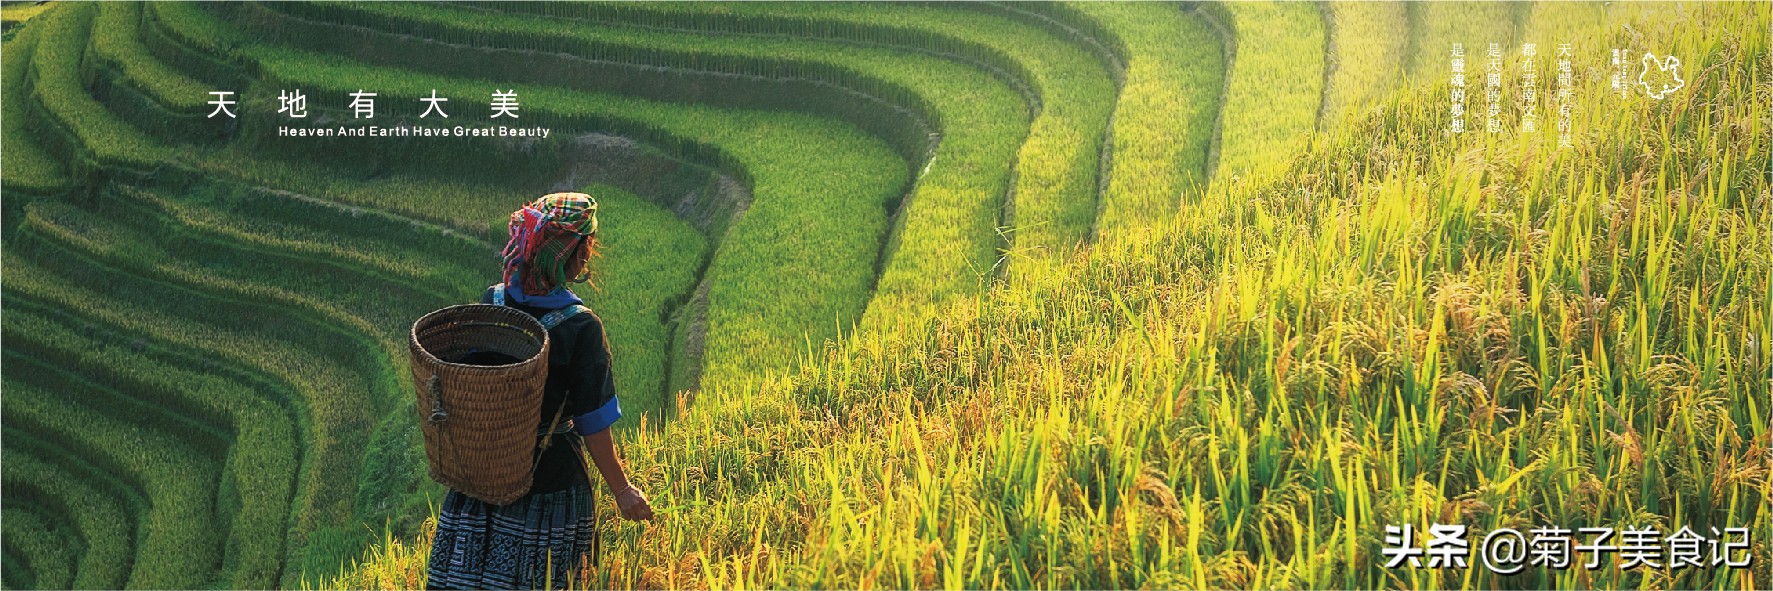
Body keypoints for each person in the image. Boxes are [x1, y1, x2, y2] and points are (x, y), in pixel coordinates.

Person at [426, 192, 654, 591]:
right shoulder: (581, 329)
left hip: (485, 476)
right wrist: (623, 490)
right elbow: (593, 425)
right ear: (579, 253)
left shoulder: (492, 303)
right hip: (548, 484)